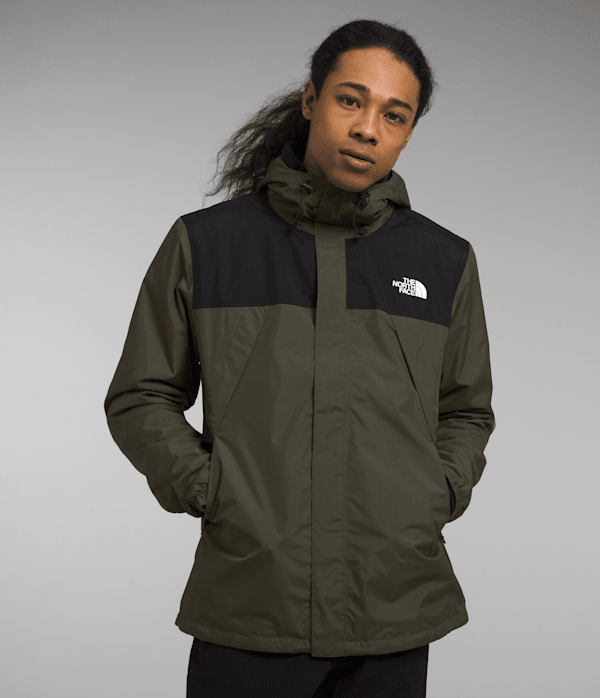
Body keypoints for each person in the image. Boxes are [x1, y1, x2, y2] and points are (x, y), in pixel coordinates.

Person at [104, 17, 496, 698]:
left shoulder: (444, 260)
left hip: (394, 609)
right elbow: (141, 395)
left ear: (408, 132)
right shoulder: (208, 245)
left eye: (394, 114)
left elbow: (465, 409)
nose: (368, 128)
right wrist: (213, 489)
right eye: (350, 100)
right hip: (252, 603)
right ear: (312, 99)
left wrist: (434, 493)